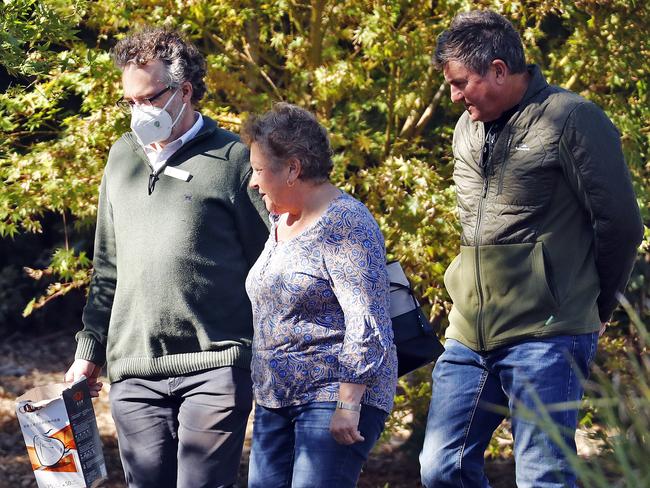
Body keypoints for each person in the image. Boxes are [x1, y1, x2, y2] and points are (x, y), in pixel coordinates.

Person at [419, 10, 643, 488]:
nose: (455, 97)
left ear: (499, 69)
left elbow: (621, 224)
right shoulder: (466, 128)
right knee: (440, 468)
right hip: (469, 333)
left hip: (547, 333)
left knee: (543, 477)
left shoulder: (572, 119)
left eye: (461, 83)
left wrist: (596, 304)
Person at [63, 27, 268, 488]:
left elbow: (269, 263)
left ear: (184, 91)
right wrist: (88, 353)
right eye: (130, 102)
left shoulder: (234, 158)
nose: (140, 111)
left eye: (150, 98)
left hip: (215, 364)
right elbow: (107, 267)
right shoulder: (121, 158)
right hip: (135, 369)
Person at [241, 103, 398, 488]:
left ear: (293, 169)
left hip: (331, 396)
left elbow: (368, 318)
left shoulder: (346, 222)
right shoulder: (282, 222)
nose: (253, 182)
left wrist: (348, 403)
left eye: (260, 170)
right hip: (275, 399)